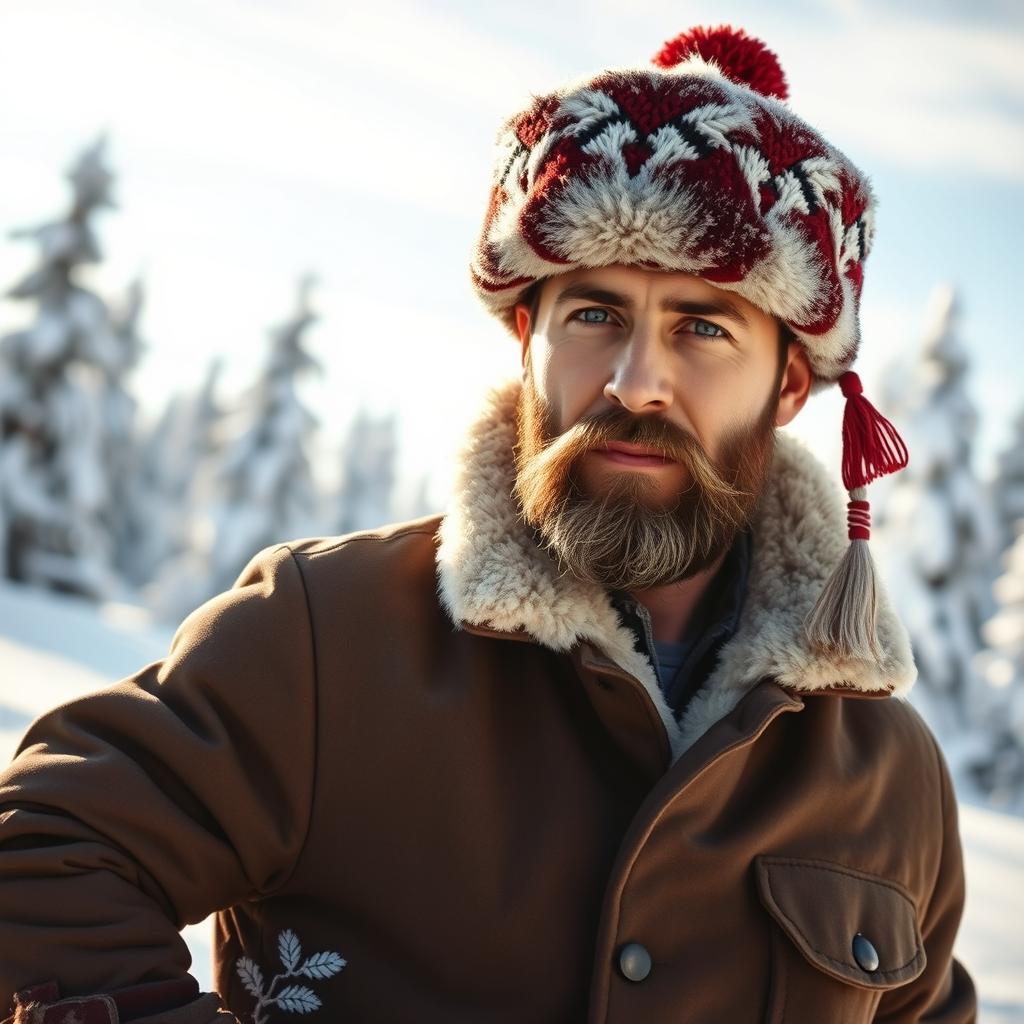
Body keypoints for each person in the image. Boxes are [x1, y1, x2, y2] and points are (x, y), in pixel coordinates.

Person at [0, 23, 976, 1024]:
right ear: (527, 336)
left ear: (789, 383)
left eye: (701, 326)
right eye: (594, 314)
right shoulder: (326, 635)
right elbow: (40, 851)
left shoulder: (890, 775)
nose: (635, 382)